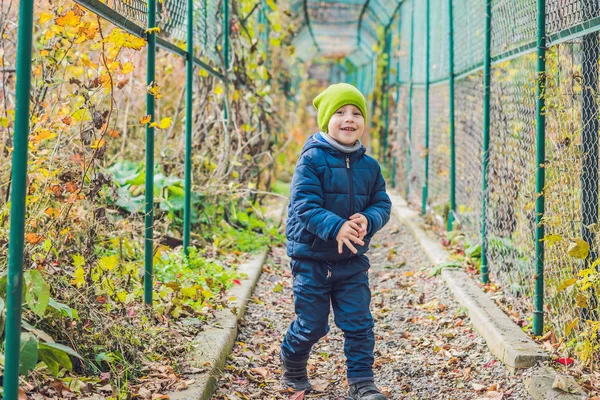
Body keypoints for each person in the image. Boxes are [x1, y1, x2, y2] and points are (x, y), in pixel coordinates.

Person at [281, 83, 392, 400]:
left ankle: (362, 381)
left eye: (356, 113)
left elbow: (381, 203)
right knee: (312, 325)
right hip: (312, 259)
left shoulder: (369, 166)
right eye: (340, 112)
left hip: (352, 259)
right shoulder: (312, 160)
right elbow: (304, 206)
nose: (349, 119)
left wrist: (369, 219)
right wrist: (336, 227)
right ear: (327, 119)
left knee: (359, 322)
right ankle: (292, 360)